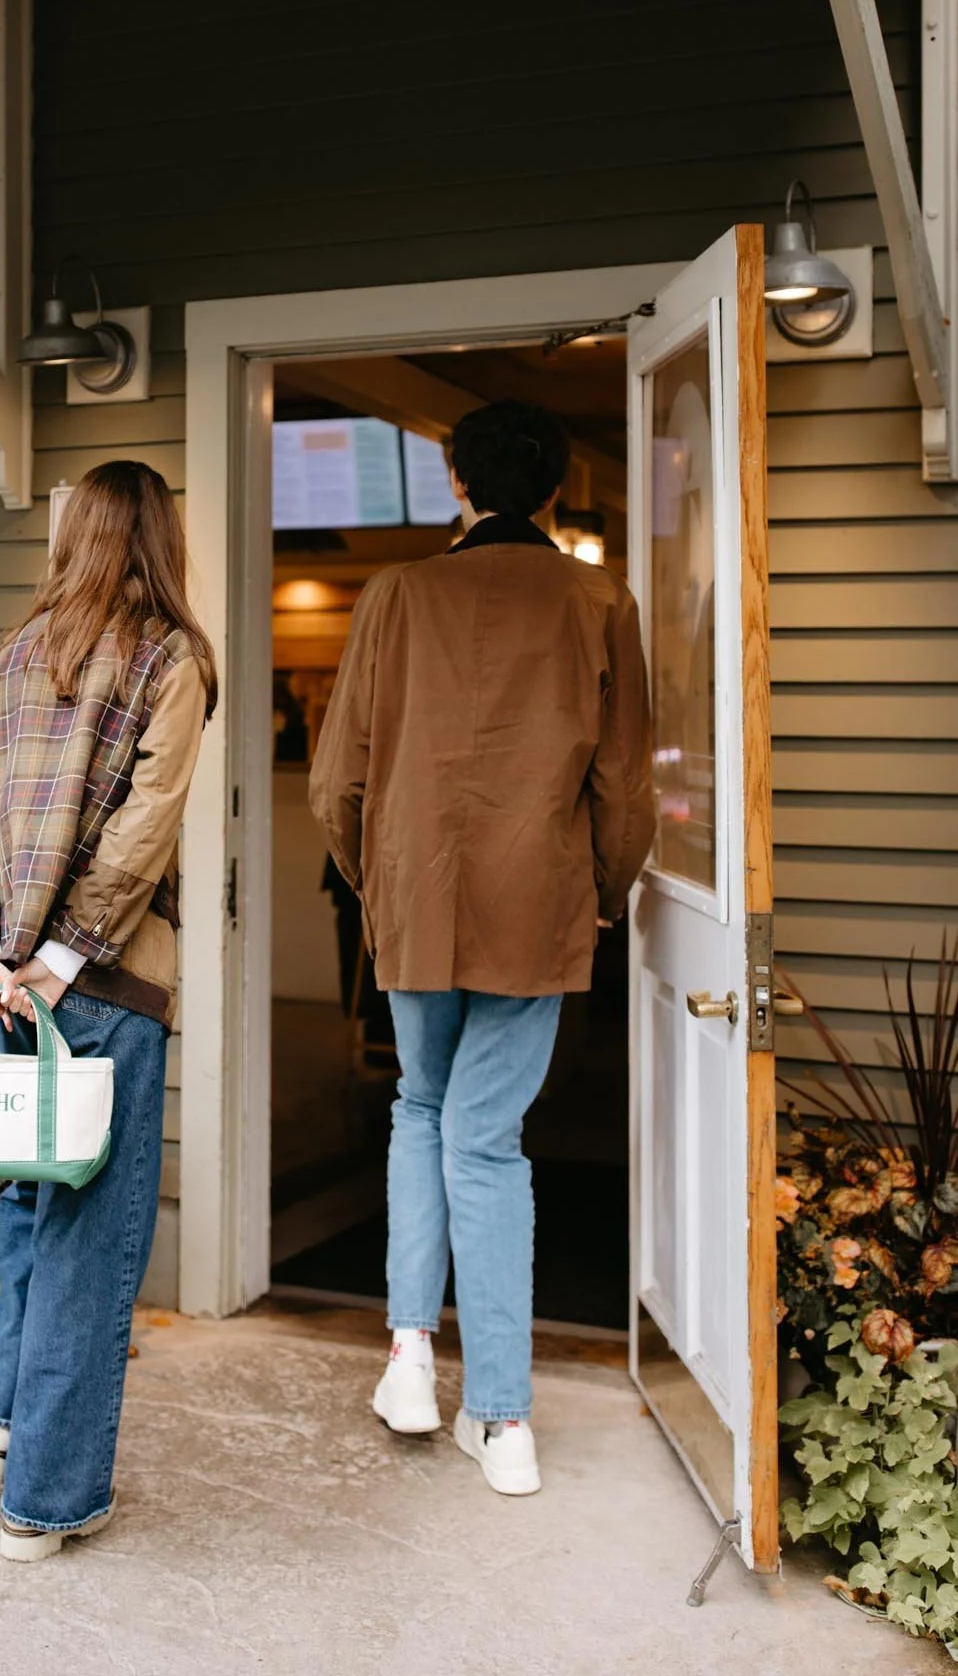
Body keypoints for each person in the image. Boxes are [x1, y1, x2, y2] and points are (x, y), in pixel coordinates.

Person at [309, 399, 653, 1498]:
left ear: (457, 483)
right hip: (535, 903)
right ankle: (502, 1418)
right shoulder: (600, 598)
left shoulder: (397, 593)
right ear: (555, 488)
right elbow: (626, 785)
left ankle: (410, 1355)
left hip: (418, 898)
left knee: (423, 1109)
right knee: (487, 1141)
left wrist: (383, 881)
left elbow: (335, 785)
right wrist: (599, 894)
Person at [0, 460, 216, 1562]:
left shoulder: (5, 656)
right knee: (94, 1243)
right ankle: (43, 1505)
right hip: (103, 982)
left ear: (74, 538)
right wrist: (57, 953)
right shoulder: (172, 657)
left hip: (5, 987)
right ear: (159, 539)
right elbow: (145, 827)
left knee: (32, 1216)